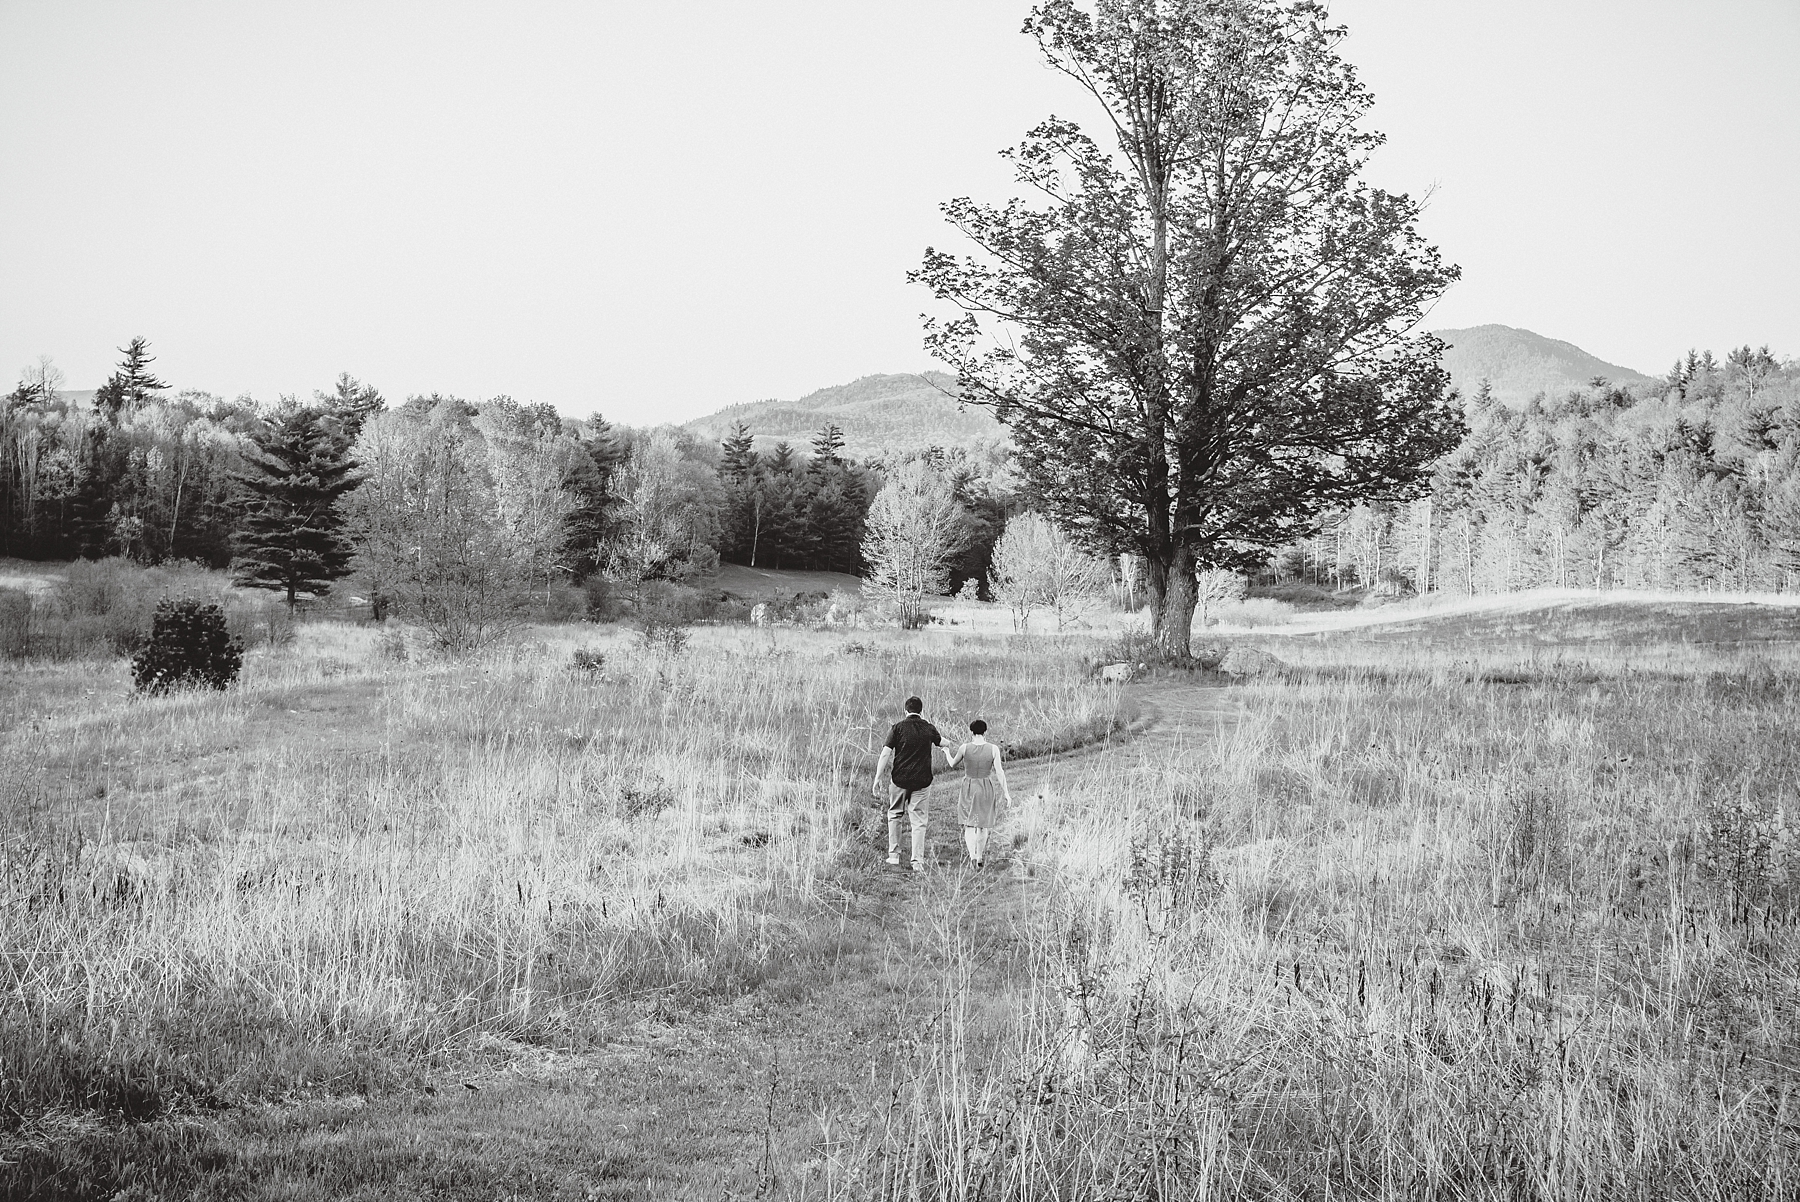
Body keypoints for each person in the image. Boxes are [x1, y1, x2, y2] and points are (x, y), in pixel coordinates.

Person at [872, 696, 941, 872]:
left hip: (900, 780)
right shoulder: (929, 728)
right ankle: (917, 862)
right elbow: (941, 742)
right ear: (921, 711)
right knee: (918, 822)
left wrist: (877, 777)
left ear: (905, 710)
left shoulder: (897, 728)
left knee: (895, 814)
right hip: (922, 781)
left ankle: (894, 856)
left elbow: (885, 754)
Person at [946, 719, 1010, 869]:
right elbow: (999, 772)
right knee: (982, 825)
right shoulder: (993, 749)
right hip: (986, 788)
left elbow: (952, 763)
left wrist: (946, 752)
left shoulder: (964, 748)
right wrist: (1006, 793)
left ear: (972, 732)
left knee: (969, 824)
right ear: (985, 732)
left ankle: (973, 857)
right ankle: (980, 857)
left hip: (969, 787)